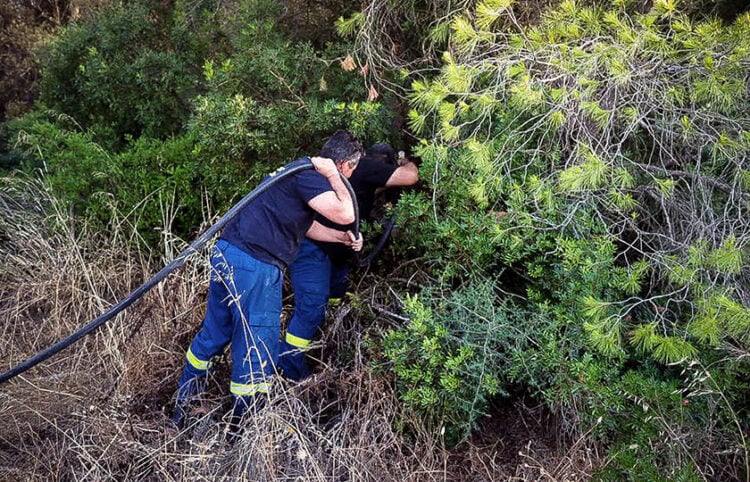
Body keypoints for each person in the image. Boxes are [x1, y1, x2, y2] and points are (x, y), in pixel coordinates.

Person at [169, 130, 364, 429]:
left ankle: (183, 405)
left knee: (215, 333)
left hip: (230, 253)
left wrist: (340, 238)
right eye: (352, 170)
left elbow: (307, 225)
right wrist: (333, 175)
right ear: (346, 165)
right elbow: (345, 211)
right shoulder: (314, 175)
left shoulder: (296, 172)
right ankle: (245, 430)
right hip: (255, 266)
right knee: (257, 343)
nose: (351, 178)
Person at [278, 143, 419, 380]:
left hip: (336, 253)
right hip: (312, 249)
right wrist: (406, 161)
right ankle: (289, 366)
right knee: (312, 306)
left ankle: (322, 343)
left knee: (333, 298)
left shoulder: (342, 170)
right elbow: (411, 177)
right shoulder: (365, 168)